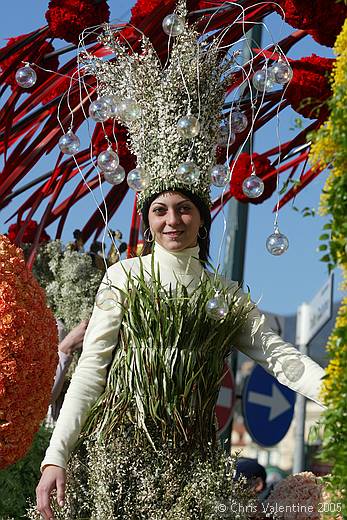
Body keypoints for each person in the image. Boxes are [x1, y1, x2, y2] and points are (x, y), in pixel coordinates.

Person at [35, 9, 325, 520]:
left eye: (185, 208)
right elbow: (91, 372)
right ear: (148, 219)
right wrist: (55, 457)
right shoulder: (125, 280)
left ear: (201, 217)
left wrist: (337, 395)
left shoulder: (223, 299)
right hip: (115, 474)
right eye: (161, 210)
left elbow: (285, 361)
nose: (173, 220)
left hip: (194, 476)